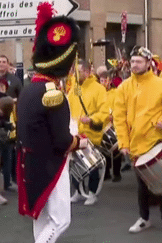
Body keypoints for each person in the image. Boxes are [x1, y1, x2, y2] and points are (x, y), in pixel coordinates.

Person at [16, 3, 87, 243]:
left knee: (42, 218)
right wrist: (81, 143)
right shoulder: (52, 93)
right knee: (60, 220)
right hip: (50, 163)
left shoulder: (29, 89)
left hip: (31, 161)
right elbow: (62, 141)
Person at [113, 46, 162, 234]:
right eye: (132, 61)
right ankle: (144, 218)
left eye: (138, 62)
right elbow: (119, 118)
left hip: (157, 141)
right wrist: (123, 143)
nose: (134, 65)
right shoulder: (124, 87)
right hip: (135, 144)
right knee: (142, 186)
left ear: (149, 63)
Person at [67, 60, 107, 205]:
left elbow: (104, 111)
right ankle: (78, 190)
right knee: (75, 163)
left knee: (92, 164)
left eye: (80, 71)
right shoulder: (74, 88)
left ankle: (92, 192)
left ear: (87, 72)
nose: (77, 75)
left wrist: (91, 119)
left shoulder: (98, 89)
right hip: (75, 132)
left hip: (90, 132)